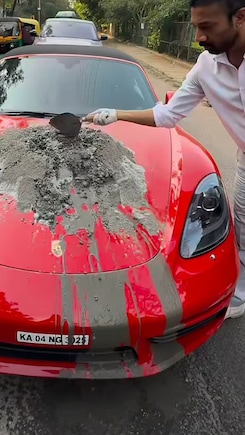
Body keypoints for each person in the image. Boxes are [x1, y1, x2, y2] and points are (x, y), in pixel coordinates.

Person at [85, 0, 245, 319]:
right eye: (196, 26)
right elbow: (169, 114)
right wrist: (116, 114)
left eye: (208, 27)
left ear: (240, 17)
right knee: (241, 222)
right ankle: (240, 290)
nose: (198, 36)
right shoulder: (205, 67)